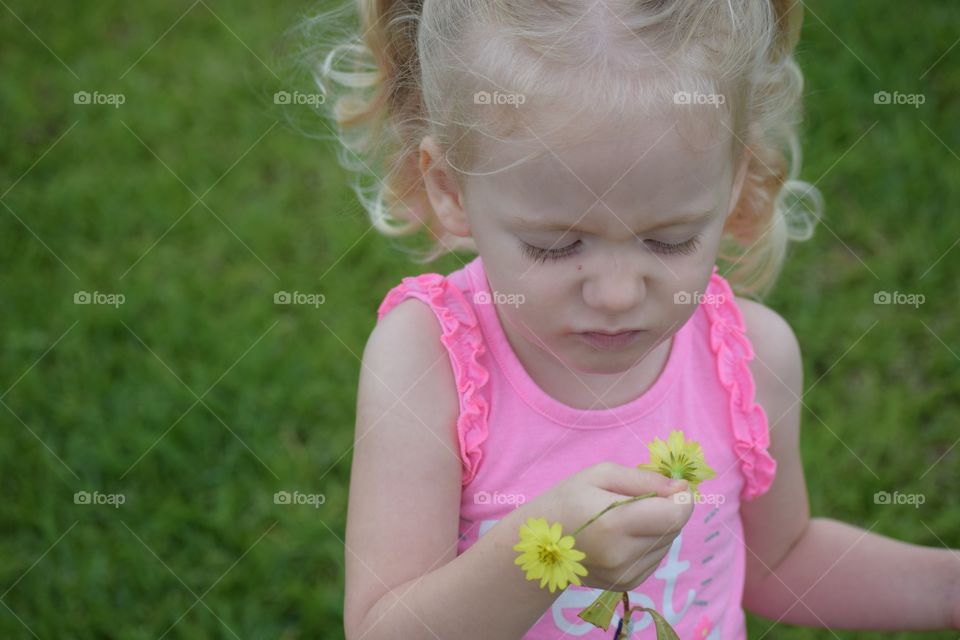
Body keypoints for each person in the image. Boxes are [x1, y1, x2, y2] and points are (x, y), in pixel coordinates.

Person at [308, 1, 960, 637]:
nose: (619, 294)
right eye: (556, 245)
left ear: (736, 177)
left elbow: (778, 562)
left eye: (669, 239)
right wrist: (543, 555)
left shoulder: (749, 358)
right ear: (450, 190)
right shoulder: (429, 363)